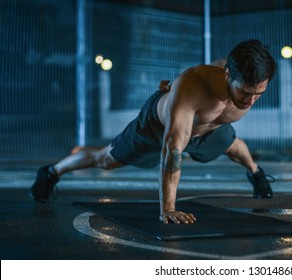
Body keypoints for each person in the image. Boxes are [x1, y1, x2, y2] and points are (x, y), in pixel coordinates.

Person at [30, 39, 277, 224]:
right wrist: (168, 207)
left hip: (206, 129)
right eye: (245, 92)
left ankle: (257, 174)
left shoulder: (237, 71)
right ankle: (51, 172)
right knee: (105, 160)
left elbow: (224, 61)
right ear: (228, 76)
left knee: (234, 146)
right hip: (156, 127)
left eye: (259, 94)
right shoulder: (193, 89)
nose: (250, 101)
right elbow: (173, 150)